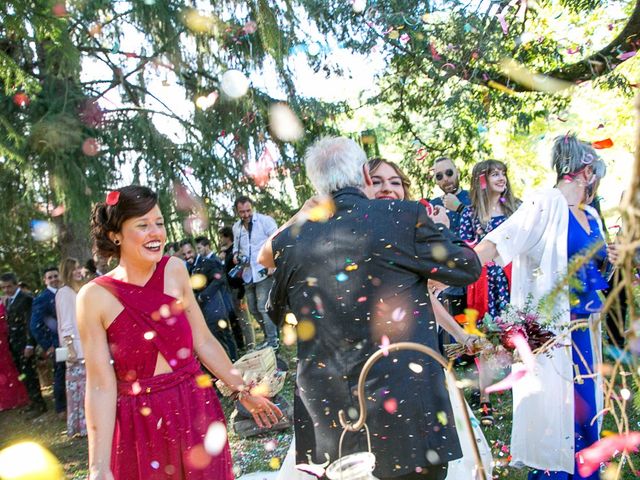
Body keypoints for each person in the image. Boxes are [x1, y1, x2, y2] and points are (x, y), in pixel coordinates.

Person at [263, 137, 482, 480]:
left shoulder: (291, 238)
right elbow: (467, 266)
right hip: (407, 405)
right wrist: (442, 229)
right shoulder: (403, 216)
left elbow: (279, 314)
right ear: (366, 174)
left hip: (329, 417)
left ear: (317, 185)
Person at [77, 185, 282, 480]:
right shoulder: (93, 297)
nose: (156, 233)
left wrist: (242, 389)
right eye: (143, 225)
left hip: (194, 407)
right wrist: (98, 466)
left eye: (159, 223)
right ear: (115, 235)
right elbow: (99, 385)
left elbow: (203, 340)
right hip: (140, 423)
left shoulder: (174, 270)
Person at [475, 134, 610, 479]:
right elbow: (500, 240)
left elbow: (593, 269)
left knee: (586, 413)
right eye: (594, 171)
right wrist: (445, 272)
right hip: (555, 335)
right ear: (586, 171)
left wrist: (611, 260)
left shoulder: (591, 214)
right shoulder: (544, 203)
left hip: (587, 331)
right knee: (555, 413)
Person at [457, 160, 520, 425]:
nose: (501, 178)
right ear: (481, 180)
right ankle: (485, 400)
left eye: (503, 173)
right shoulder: (470, 214)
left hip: (511, 280)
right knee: (484, 336)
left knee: (518, 333)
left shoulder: (516, 210)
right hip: (484, 284)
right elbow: (461, 248)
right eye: (495, 174)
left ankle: (522, 393)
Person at [232, 196, 279, 349]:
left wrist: (273, 263)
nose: (246, 214)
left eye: (248, 210)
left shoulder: (265, 221)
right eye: (242, 212)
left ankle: (273, 341)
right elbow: (236, 248)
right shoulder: (236, 228)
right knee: (252, 308)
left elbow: (277, 240)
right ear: (237, 212)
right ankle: (268, 337)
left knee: (263, 306)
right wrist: (235, 256)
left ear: (252, 208)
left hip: (264, 270)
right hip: (247, 273)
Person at [429, 157, 472, 320]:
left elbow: (486, 226)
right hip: (450, 280)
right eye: (439, 176)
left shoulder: (474, 197)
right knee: (459, 328)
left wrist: (461, 207)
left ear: (457, 172)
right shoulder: (432, 205)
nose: (445, 178)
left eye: (449, 172)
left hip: (477, 273)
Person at [0, 272, 46, 415]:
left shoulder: (26, 299)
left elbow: (30, 324)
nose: (6, 290)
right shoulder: (8, 300)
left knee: (30, 374)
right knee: (23, 375)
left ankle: (40, 404)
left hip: (24, 343)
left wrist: (29, 344)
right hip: (14, 344)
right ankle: (32, 401)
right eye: (3, 287)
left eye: (9, 286)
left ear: (16, 284)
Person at [56, 257, 87, 436]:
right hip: (76, 347)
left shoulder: (77, 290)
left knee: (85, 388)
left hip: (85, 344)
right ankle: (80, 425)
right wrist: (70, 348)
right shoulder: (64, 293)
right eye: (74, 269)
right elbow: (67, 323)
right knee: (79, 390)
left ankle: (87, 424)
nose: (78, 271)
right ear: (67, 272)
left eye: (79, 267)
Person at [30, 266, 66, 417]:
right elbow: (35, 325)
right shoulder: (42, 299)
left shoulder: (66, 293)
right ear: (45, 281)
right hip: (55, 344)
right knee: (60, 374)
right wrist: (48, 345)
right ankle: (61, 408)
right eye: (50, 277)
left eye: (55, 276)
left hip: (71, 341)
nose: (53, 279)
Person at [218, 227, 256, 352]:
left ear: (227, 237)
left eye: (221, 237)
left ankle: (251, 345)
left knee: (244, 319)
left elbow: (239, 271)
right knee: (239, 319)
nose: (220, 239)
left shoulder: (234, 252)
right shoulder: (227, 252)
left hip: (238, 289)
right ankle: (245, 345)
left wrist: (241, 291)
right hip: (231, 290)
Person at [0, 301, 29, 411]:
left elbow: (6, 325)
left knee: (7, 370)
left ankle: (13, 398)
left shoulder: (3, 304)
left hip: (3, 343)